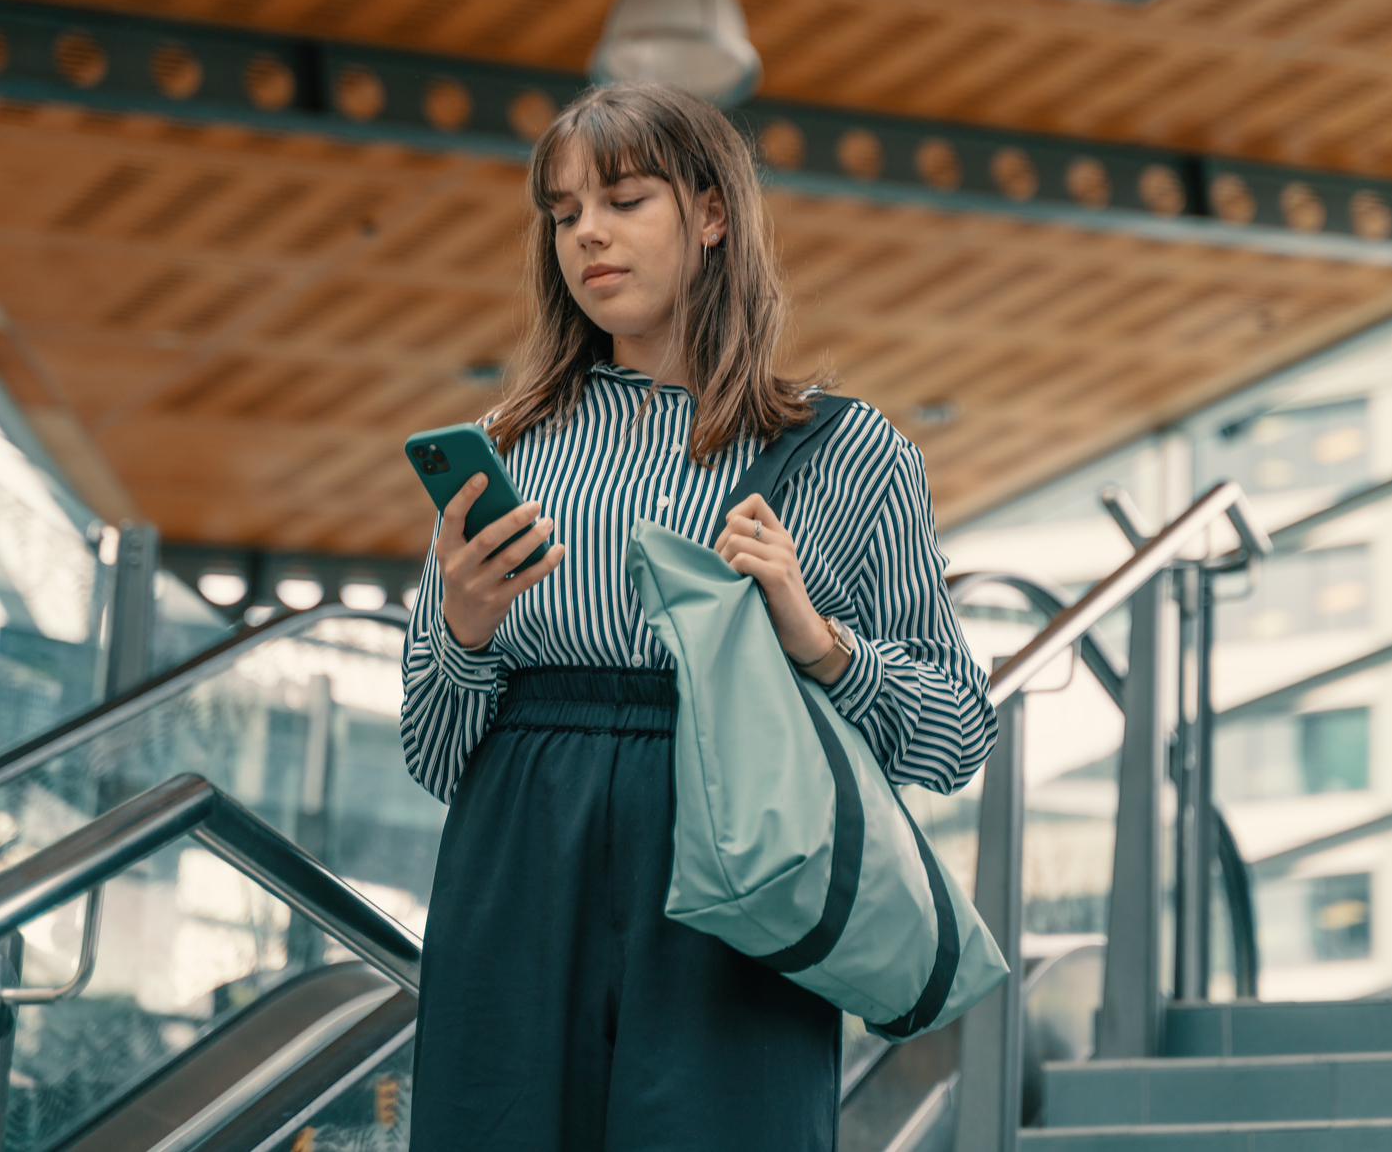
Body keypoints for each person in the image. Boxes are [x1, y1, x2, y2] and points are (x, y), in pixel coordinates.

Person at [399, 81, 993, 1152]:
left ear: (712, 214)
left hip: (736, 853)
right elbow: (436, 757)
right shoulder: (509, 444)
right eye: (564, 210)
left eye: (624, 198)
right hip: (518, 858)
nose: (587, 233)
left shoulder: (847, 452)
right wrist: (464, 628)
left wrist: (816, 640)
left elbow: (954, 734)